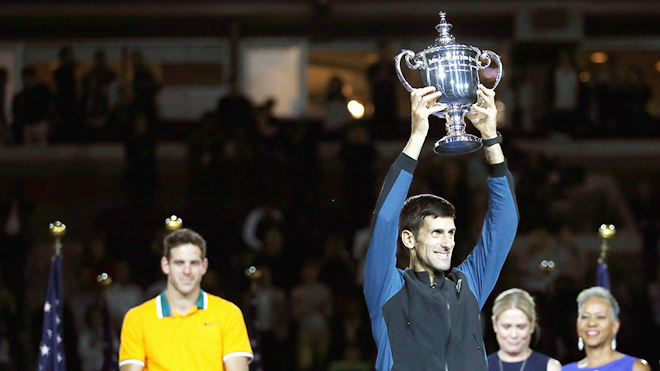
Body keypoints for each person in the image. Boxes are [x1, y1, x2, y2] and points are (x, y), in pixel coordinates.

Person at [364, 84, 519, 370]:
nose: (447, 242)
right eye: (436, 233)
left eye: (450, 233)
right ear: (409, 239)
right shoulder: (387, 288)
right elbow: (386, 219)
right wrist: (417, 135)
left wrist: (490, 137)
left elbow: (505, 223)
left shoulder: (469, 284)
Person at [118, 228, 253, 371]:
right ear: (165, 265)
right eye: (179, 263)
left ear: (204, 266)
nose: (187, 271)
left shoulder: (228, 314)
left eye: (194, 263)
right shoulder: (137, 318)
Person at [561, 287, 650, 371]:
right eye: (585, 317)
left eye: (600, 317)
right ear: (578, 324)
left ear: (615, 325)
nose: (591, 323)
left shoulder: (635, 367)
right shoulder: (565, 370)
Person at [488, 288, 561, 371]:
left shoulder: (550, 367)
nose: (514, 335)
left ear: (532, 324)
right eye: (506, 326)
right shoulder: (480, 366)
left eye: (521, 327)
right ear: (495, 324)